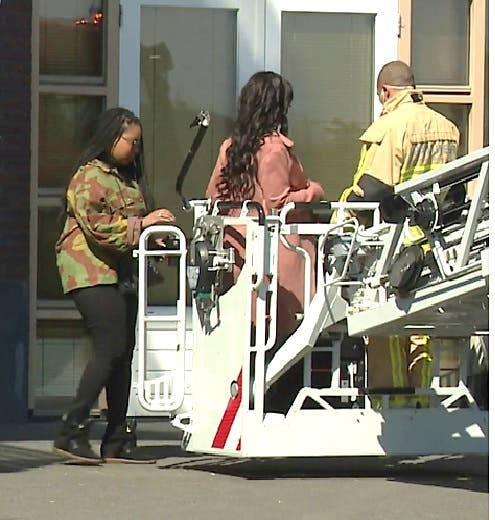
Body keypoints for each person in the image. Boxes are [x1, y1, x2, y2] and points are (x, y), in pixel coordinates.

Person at [54, 107, 176, 464]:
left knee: (124, 353)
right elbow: (99, 228)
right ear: (111, 137)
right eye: (130, 141)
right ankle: (72, 430)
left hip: (121, 272)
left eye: (139, 143)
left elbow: (132, 227)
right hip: (89, 270)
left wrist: (158, 238)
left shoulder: (128, 180)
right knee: (110, 345)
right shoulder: (88, 177)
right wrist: (144, 224)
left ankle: (117, 439)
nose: (136, 149)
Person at [339, 60, 460, 408]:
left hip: (394, 248)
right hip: (432, 247)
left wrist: (344, 213)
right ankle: (421, 402)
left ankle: (393, 406)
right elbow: (452, 193)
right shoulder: (448, 128)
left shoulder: (390, 127)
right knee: (421, 331)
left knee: (385, 330)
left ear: (386, 91)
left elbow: (373, 189)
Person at [205, 71, 325, 412]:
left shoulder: (231, 146)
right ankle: (273, 408)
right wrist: (313, 191)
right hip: (279, 250)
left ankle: (247, 404)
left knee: (252, 332)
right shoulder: (273, 149)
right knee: (287, 336)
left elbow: (214, 195)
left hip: (241, 247)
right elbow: (277, 200)